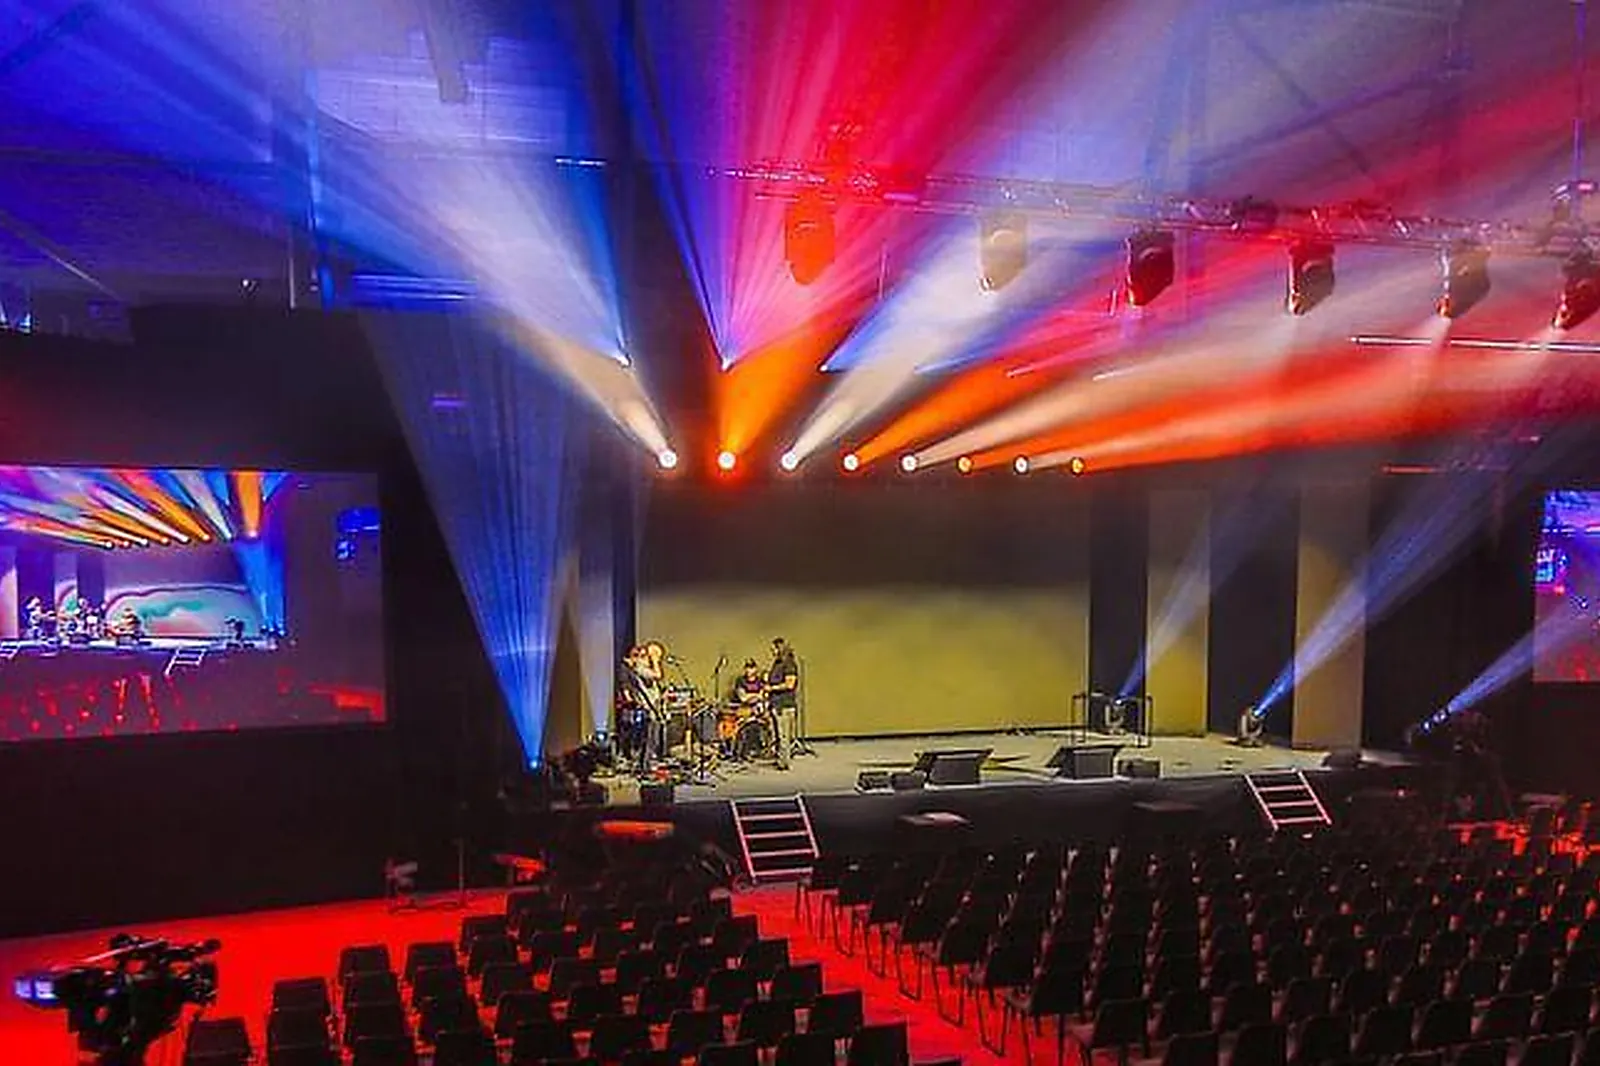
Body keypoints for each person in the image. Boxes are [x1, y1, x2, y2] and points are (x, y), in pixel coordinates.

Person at [767, 637, 799, 769]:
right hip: (775, 704)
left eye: (773, 648)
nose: (771, 651)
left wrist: (772, 688)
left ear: (780, 648)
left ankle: (784, 763)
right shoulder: (777, 663)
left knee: (784, 735)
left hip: (785, 705)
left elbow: (790, 684)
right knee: (778, 735)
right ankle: (780, 758)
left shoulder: (789, 664)